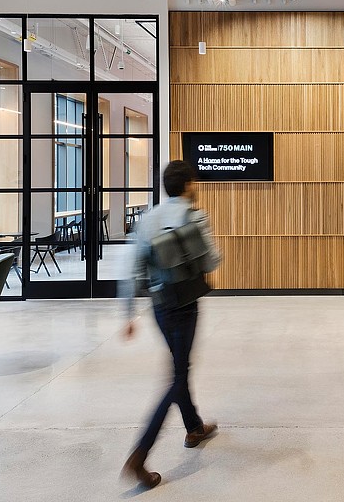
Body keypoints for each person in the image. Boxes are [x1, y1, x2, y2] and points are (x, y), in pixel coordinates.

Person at [120, 160, 222, 488]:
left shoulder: (148, 219)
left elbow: (134, 268)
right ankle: (140, 454)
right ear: (189, 184)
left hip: (160, 307)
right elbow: (212, 259)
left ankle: (194, 426)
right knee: (178, 376)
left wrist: (128, 314)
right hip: (186, 305)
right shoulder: (194, 216)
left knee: (180, 368)